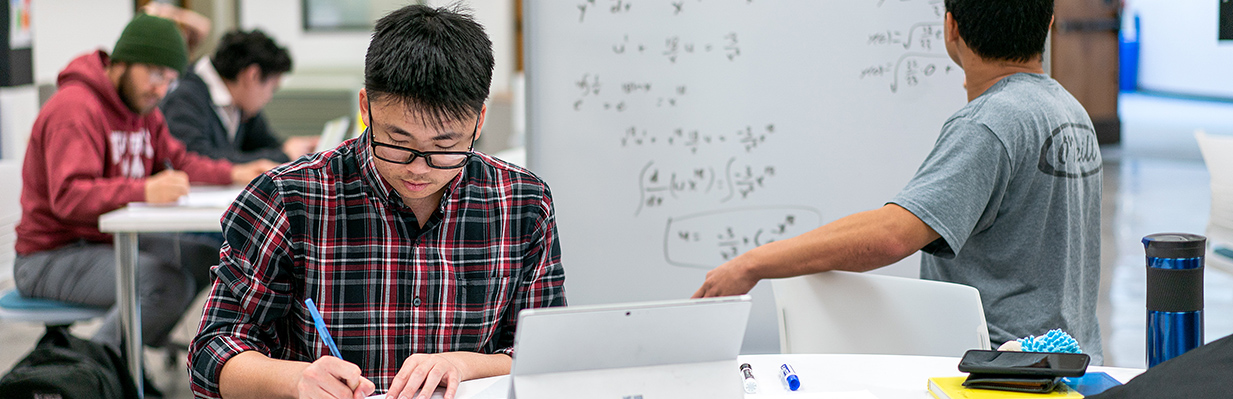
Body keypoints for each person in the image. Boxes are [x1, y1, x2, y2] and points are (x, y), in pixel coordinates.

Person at [694, 0, 1104, 364]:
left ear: (951, 29)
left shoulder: (989, 124)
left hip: (1006, 376)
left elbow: (892, 235)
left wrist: (752, 264)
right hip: (1068, 366)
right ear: (1049, 23)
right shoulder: (1069, 111)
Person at [189, 5, 566, 399]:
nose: (419, 169)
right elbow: (212, 352)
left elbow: (548, 353)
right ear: (366, 107)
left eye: (445, 147)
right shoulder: (289, 198)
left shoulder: (521, 201)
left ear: (479, 121)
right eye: (398, 143)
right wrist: (295, 381)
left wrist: (463, 364)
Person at [13, 15, 274, 358]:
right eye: (154, 74)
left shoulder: (143, 109)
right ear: (122, 63)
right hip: (51, 255)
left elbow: (181, 160)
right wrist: (144, 191)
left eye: (169, 79)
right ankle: (94, 371)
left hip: (104, 241)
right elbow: (69, 196)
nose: (160, 89)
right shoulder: (75, 109)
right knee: (164, 285)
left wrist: (235, 172)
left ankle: (133, 351)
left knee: (208, 260)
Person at [161, 29, 317, 164]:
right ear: (253, 75)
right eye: (272, 89)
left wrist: (301, 149)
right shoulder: (185, 96)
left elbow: (265, 143)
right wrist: (283, 156)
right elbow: (196, 159)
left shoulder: (241, 102)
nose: (270, 97)